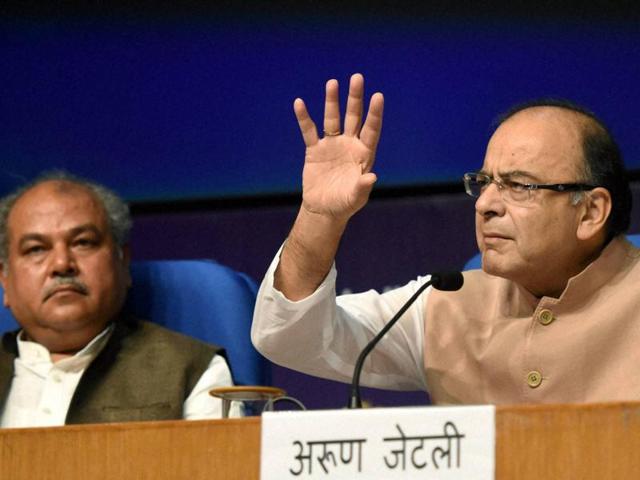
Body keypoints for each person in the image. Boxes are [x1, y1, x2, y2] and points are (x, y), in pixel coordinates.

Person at [251, 73, 640, 404]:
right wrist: (320, 216)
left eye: (519, 185)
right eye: (484, 183)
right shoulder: (445, 305)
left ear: (590, 212)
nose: (485, 204)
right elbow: (288, 337)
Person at [0, 171, 240, 427]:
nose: (61, 264)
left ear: (123, 262)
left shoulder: (194, 372)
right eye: (36, 249)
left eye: (83, 242)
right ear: (5, 279)